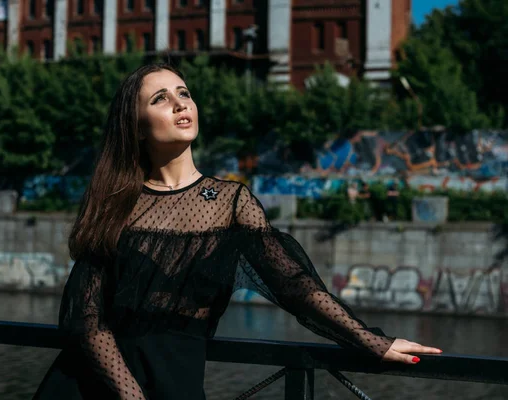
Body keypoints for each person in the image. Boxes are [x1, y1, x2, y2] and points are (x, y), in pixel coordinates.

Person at [33, 63, 442, 400]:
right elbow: (86, 319)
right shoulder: (116, 203)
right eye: (160, 99)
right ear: (137, 127)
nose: (179, 104)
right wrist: (130, 395)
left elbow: (295, 287)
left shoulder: (230, 202)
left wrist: (373, 341)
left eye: (184, 93)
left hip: (177, 383)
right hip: (90, 385)